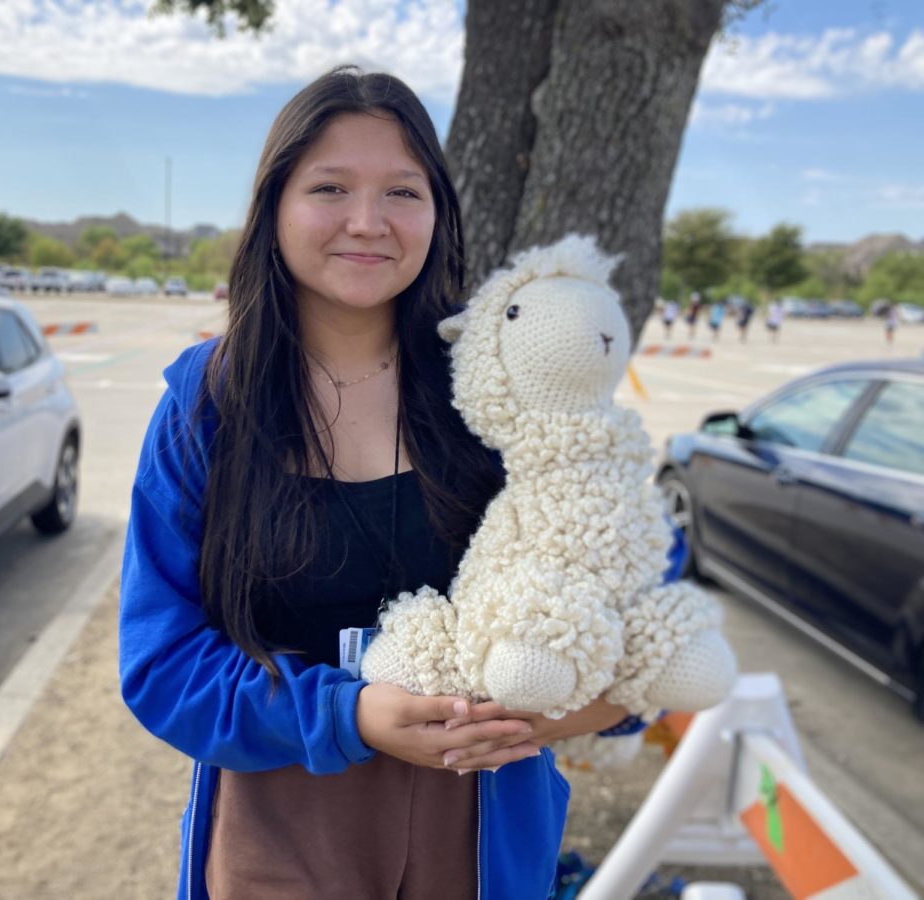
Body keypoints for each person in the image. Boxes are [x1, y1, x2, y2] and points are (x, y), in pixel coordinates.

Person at [118, 67, 676, 900]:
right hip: (278, 829)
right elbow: (161, 665)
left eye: (402, 193)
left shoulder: (501, 384)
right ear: (274, 207)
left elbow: (640, 588)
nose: (367, 222)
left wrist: (591, 703)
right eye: (330, 188)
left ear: (439, 214)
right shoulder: (209, 405)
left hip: (484, 831)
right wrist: (346, 716)